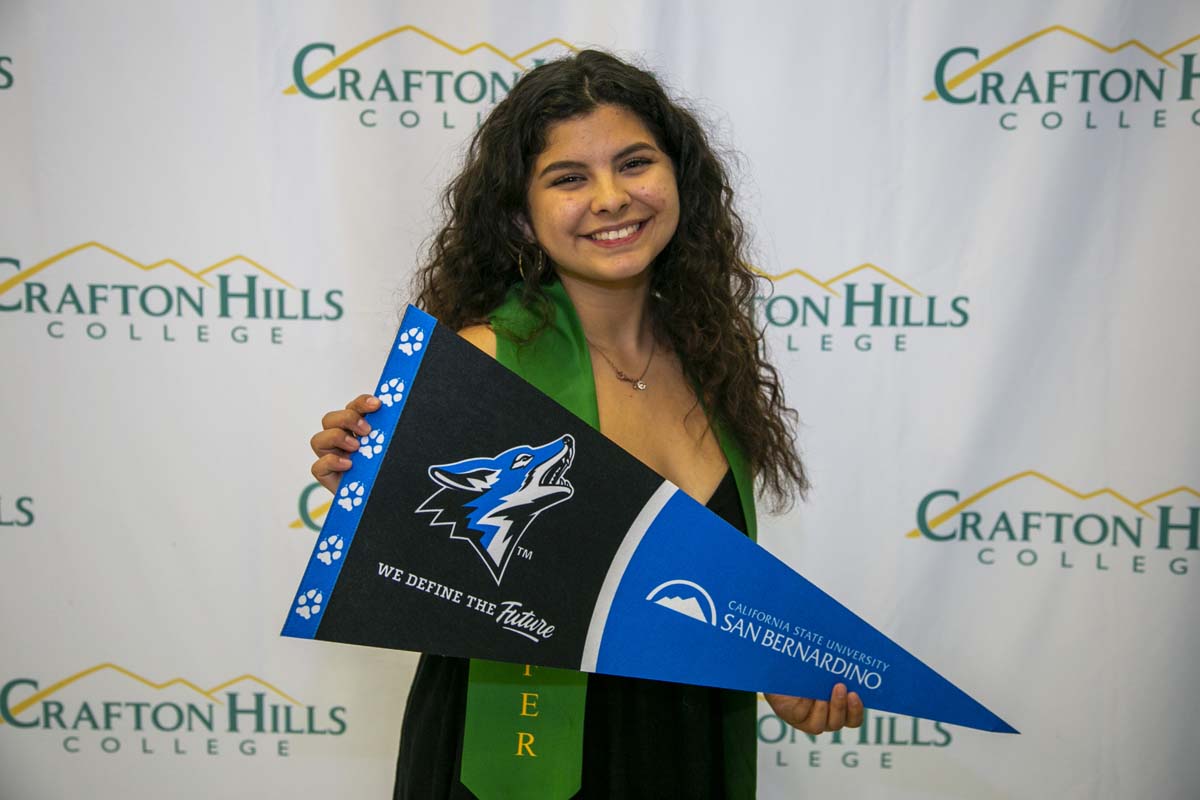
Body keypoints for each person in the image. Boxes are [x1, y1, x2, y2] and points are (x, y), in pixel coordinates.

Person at [309, 49, 864, 798]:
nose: (611, 198)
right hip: (519, 756)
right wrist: (366, 478)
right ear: (520, 213)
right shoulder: (486, 357)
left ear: (678, 179)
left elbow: (679, 588)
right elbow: (425, 559)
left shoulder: (709, 359)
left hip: (684, 748)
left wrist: (771, 672)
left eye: (634, 164)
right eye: (569, 178)